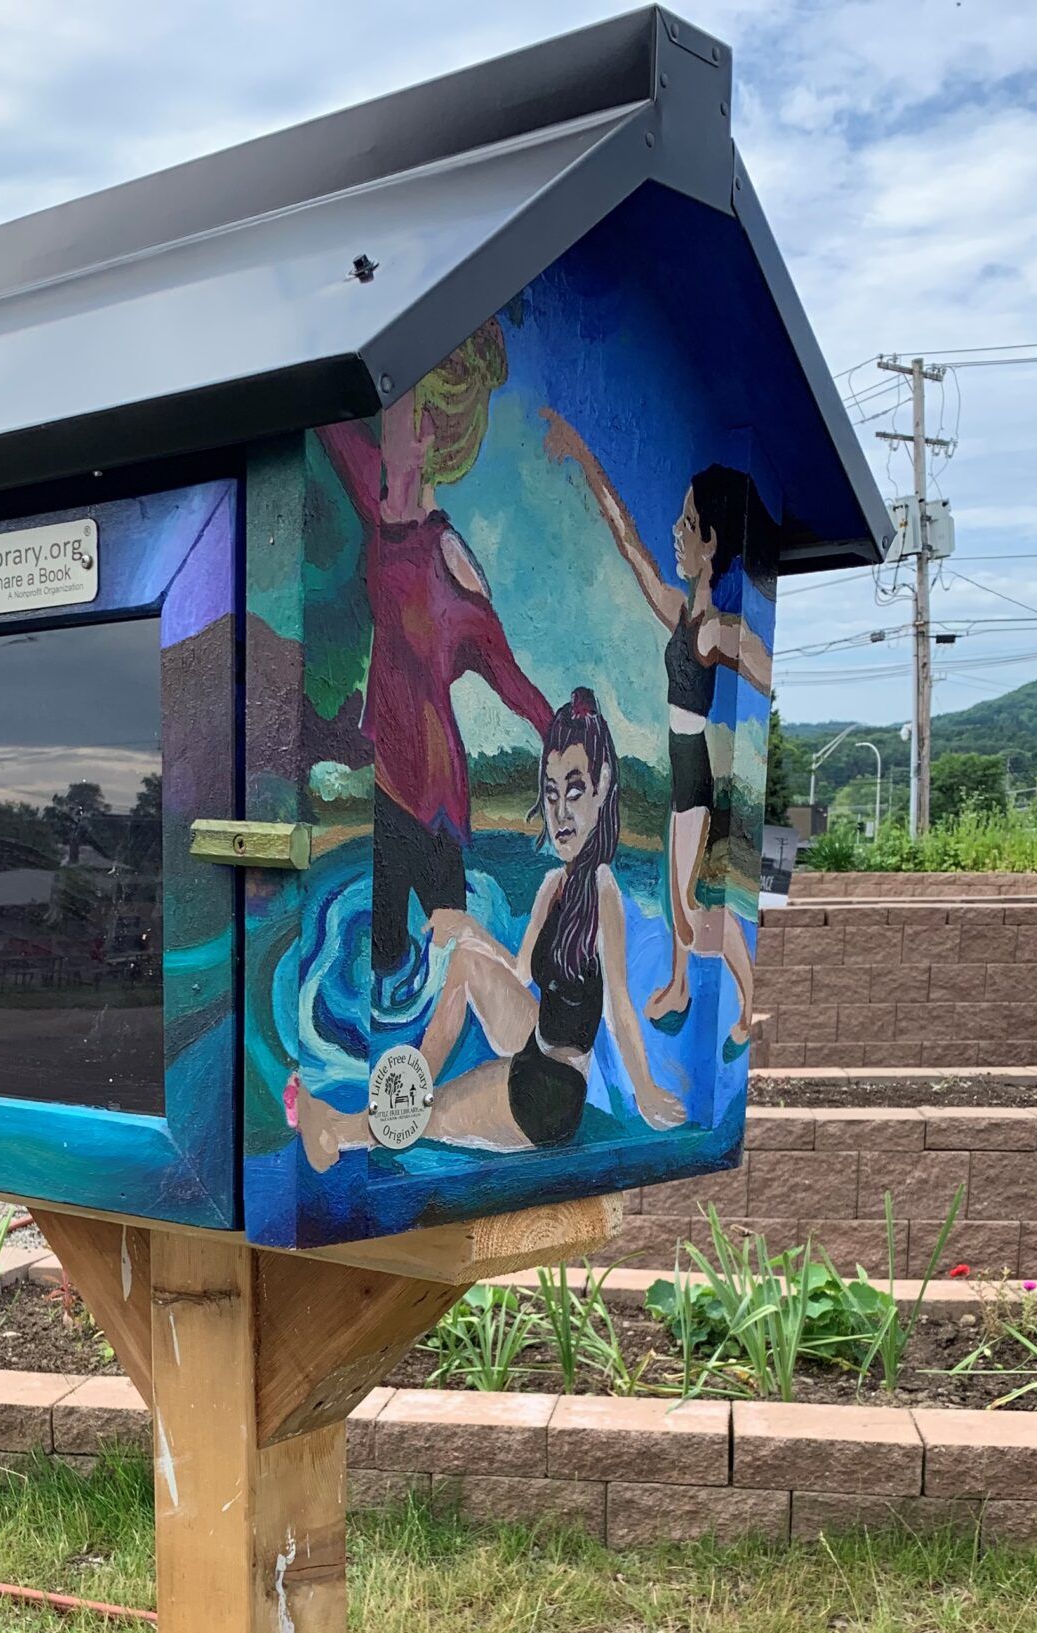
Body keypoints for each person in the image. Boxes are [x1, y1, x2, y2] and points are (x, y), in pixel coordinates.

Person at [316, 322, 552, 1023]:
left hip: (437, 790)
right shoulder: (374, 499)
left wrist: (565, 733)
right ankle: (391, 1063)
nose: (382, 416)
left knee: (450, 937)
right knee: (388, 947)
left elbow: (509, 678)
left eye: (396, 408)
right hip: (387, 776)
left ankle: (513, 1027)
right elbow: (326, 424)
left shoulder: (452, 565)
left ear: (423, 437)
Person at [538, 418, 774, 1056]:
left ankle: (752, 1004)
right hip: (680, 769)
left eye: (688, 523)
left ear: (711, 542)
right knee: (675, 900)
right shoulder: (681, 614)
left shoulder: (714, 631)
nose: (676, 530)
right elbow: (630, 545)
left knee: (695, 909)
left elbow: (763, 662)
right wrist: (583, 457)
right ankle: (678, 987)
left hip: (696, 769)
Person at [411, 691, 683, 1151]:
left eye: (574, 793)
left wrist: (646, 1092)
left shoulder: (602, 890)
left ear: (602, 786)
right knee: (465, 962)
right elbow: (519, 970)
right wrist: (469, 928)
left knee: (425, 1118)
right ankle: (406, 1085)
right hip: (534, 1044)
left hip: (552, 1093)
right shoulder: (552, 884)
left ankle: (340, 1131)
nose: (559, 814)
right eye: (552, 794)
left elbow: (618, 1007)